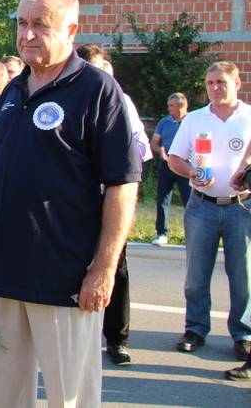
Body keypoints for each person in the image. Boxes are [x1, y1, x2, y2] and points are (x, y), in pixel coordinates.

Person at [0, 0, 141, 406]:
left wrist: (103, 270)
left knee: (71, 398)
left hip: (65, 279)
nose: (26, 35)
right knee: (5, 396)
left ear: (71, 29)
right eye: (21, 23)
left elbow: (123, 185)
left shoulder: (98, 91)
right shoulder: (9, 93)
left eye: (39, 25)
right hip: (2, 276)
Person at [167, 61, 251, 361]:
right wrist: (191, 172)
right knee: (197, 274)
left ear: (237, 84)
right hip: (201, 205)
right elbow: (174, 158)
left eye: (221, 82)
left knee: (243, 275)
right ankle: (196, 328)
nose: (215, 88)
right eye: (210, 83)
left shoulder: (249, 117)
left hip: (241, 206)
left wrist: (246, 171)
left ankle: (243, 333)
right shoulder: (195, 119)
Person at [77, 42, 152, 367]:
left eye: (98, 69)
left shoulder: (121, 101)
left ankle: (117, 340)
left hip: (109, 198)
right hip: (74, 205)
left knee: (114, 270)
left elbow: (141, 149)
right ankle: (79, 342)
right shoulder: (63, 98)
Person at [150, 93, 190, 246]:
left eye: (171, 105)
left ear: (181, 106)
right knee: (163, 199)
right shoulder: (164, 122)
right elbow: (154, 143)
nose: (169, 108)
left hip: (185, 165)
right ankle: (161, 233)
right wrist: (161, 152)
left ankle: (190, 234)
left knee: (189, 201)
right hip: (166, 165)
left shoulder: (191, 121)